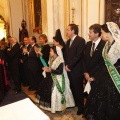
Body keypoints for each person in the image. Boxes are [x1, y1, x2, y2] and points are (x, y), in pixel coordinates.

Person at [84, 22, 120, 120]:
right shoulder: (107, 45)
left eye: (102, 32)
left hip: (114, 79)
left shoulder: (118, 45)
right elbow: (103, 64)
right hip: (104, 78)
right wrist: (95, 76)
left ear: (109, 33)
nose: (101, 34)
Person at [38, 46, 75, 113]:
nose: (50, 52)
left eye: (51, 51)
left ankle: (59, 107)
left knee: (55, 91)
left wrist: (50, 70)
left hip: (58, 78)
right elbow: (51, 68)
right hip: (52, 77)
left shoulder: (60, 60)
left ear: (55, 52)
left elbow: (60, 72)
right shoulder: (52, 59)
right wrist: (47, 68)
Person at [64, 24, 86, 115]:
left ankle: (81, 108)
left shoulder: (80, 40)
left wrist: (70, 66)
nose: (67, 31)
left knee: (78, 90)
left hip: (76, 70)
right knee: (72, 88)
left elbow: (79, 55)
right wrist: (66, 65)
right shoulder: (68, 41)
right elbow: (66, 55)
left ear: (73, 31)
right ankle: (75, 104)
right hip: (68, 69)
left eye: (68, 30)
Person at [83, 24, 105, 91]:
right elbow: (84, 60)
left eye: (90, 32)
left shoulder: (104, 45)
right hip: (87, 77)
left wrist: (94, 77)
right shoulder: (88, 44)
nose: (88, 34)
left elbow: (102, 63)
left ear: (97, 34)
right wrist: (85, 72)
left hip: (98, 78)